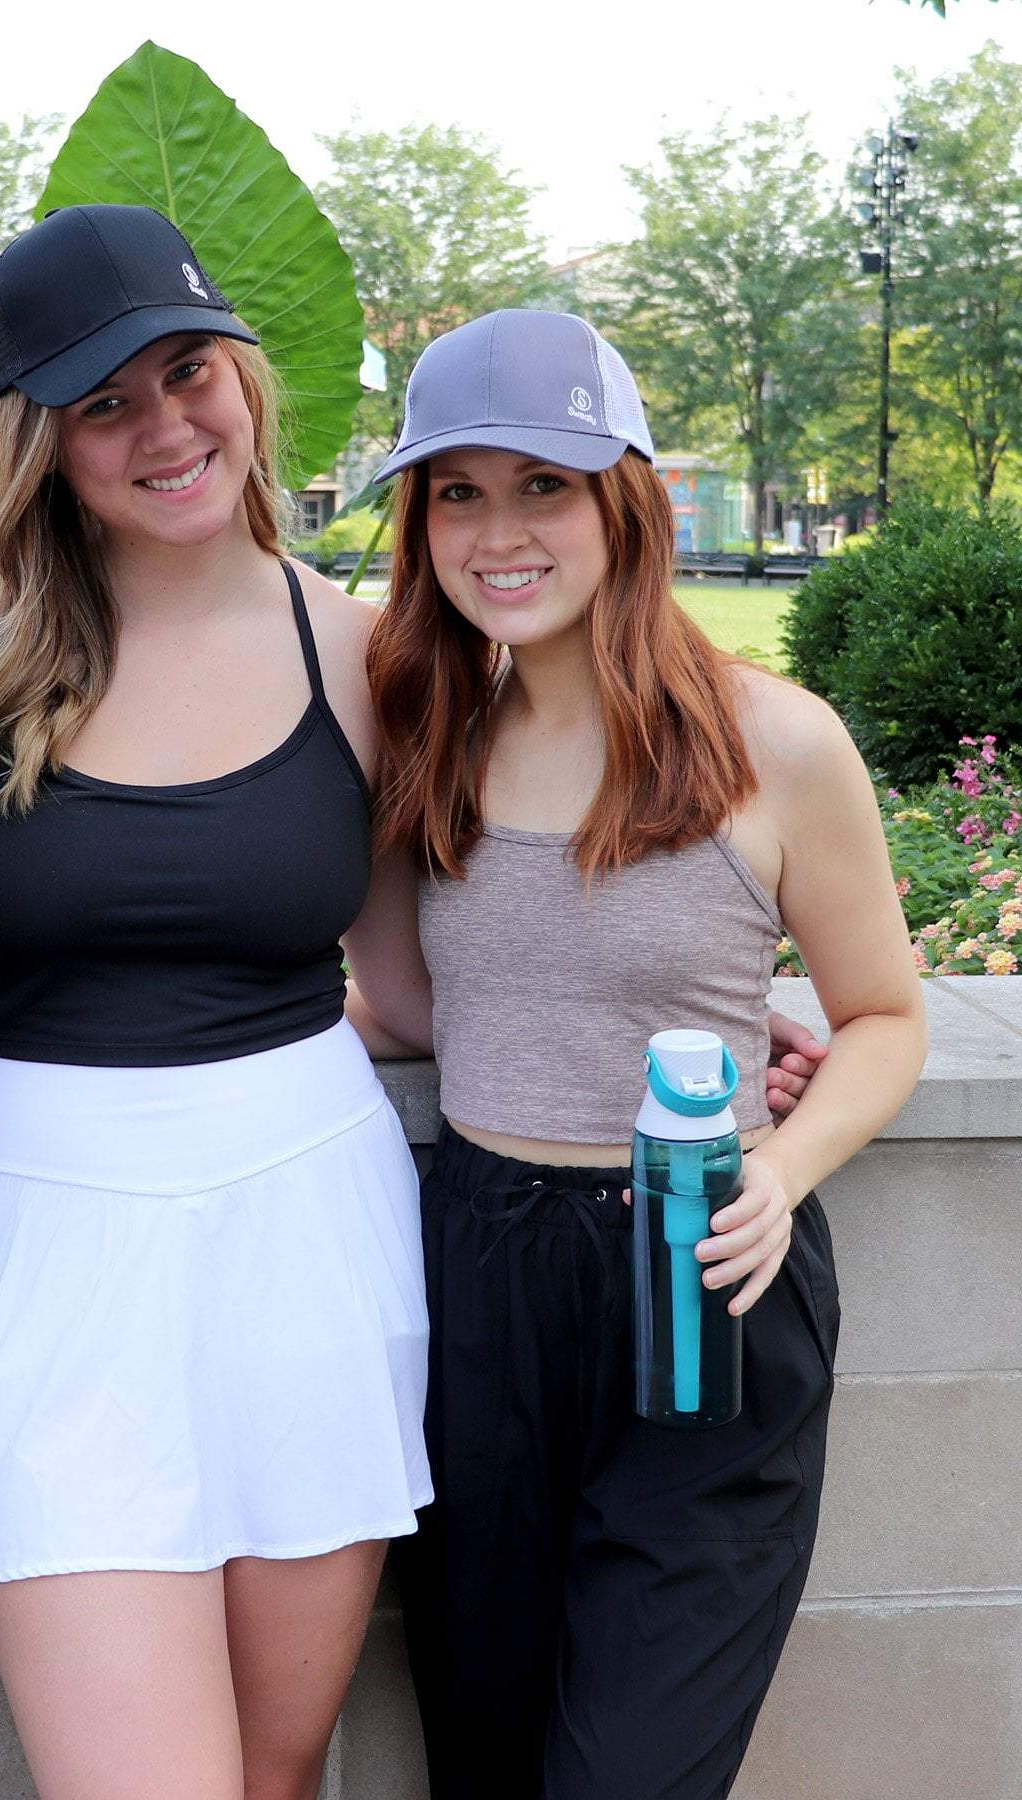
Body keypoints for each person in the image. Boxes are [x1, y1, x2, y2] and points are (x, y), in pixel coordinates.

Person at [0, 203, 437, 1800]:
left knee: (270, 1779)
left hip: (313, 1238)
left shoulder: (366, 653)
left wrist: (720, 1043)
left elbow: (405, 991)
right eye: (103, 402)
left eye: (188, 372)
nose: (163, 426)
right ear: (42, 444)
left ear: (245, 379)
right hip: (54, 1249)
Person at [351, 309, 927, 1800]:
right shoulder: (428, 730)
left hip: (701, 1271)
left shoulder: (779, 745)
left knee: (633, 1771)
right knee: (484, 1748)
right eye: (457, 493)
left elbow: (885, 1017)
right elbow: (423, 1009)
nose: (498, 532)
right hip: (479, 1277)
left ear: (629, 498)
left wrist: (780, 1164)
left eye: (543, 484)